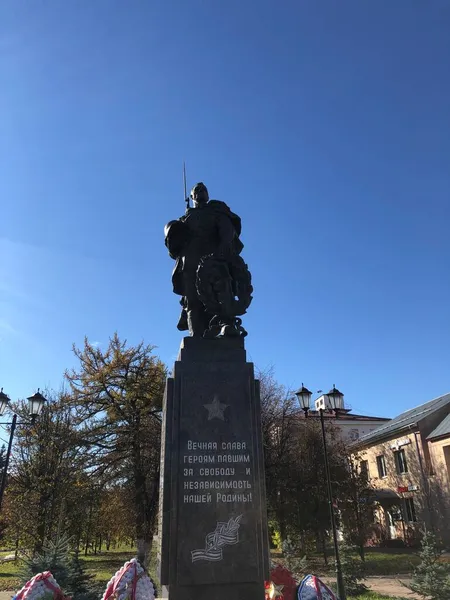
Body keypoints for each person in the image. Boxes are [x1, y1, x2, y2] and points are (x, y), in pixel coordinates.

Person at [164, 182, 245, 337]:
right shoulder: (185, 218)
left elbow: (227, 232)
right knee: (192, 300)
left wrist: (222, 249)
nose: (201, 192)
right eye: (197, 190)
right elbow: (174, 245)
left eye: (204, 190)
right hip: (190, 260)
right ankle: (195, 336)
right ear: (192, 196)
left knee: (220, 293)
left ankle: (225, 327)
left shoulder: (217, 211)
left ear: (208, 195)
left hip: (214, 258)